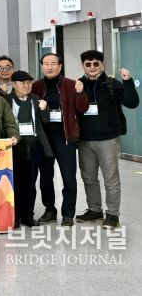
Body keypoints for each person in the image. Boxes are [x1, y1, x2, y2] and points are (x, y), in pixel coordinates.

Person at [76, 50, 139, 229]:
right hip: (84, 140)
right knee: (89, 177)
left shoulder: (112, 84)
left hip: (108, 139)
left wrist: (128, 81)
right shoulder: (78, 84)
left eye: (96, 63)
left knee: (110, 179)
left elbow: (132, 103)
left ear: (102, 64)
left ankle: (112, 215)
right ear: (83, 66)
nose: (92, 67)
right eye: (88, 64)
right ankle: (94, 210)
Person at [32, 53, 89, 227]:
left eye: (53, 63)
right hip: (44, 139)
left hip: (65, 137)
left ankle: (68, 214)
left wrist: (80, 92)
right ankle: (50, 210)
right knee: (45, 178)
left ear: (60, 66)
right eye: (46, 64)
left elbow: (83, 108)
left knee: (68, 178)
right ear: (42, 66)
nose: (49, 67)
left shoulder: (71, 85)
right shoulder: (35, 86)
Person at [6, 71, 51, 228]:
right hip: (13, 146)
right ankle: (15, 216)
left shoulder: (36, 99)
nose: (26, 85)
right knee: (14, 182)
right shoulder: (6, 100)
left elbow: (46, 122)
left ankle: (28, 215)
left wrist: (45, 109)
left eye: (29, 82)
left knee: (30, 182)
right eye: (22, 83)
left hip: (33, 146)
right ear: (14, 84)